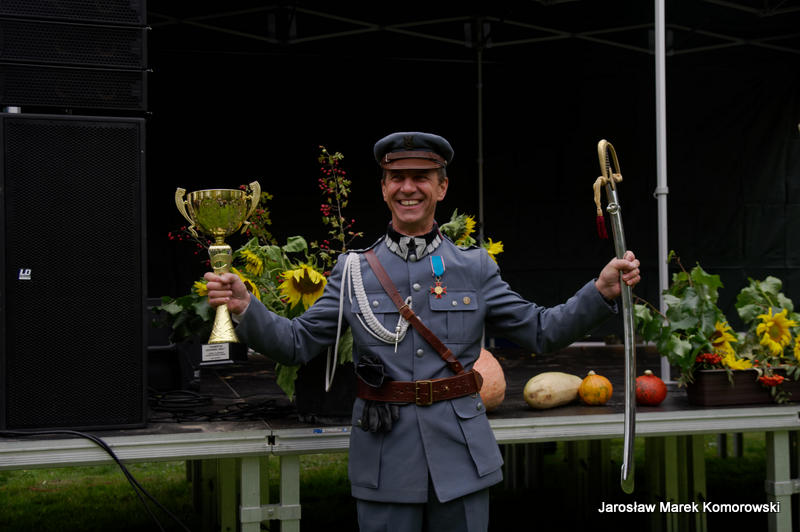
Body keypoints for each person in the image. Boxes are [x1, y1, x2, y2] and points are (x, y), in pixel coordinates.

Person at [204, 132, 641, 532]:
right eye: (397, 177)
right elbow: (296, 344)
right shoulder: (352, 270)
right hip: (385, 456)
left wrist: (599, 291)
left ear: (442, 187)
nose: (407, 188)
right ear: (383, 188)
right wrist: (247, 308)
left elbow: (541, 331)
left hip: (461, 455)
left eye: (421, 177)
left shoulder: (475, 267)